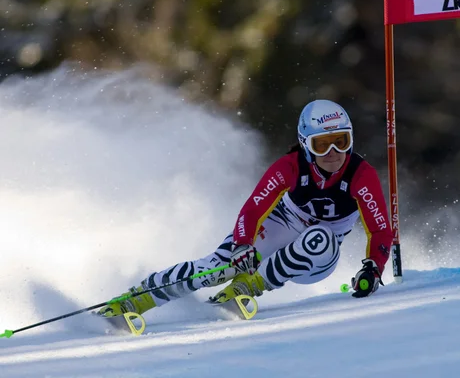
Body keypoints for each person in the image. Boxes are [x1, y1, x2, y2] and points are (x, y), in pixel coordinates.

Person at [98, 99, 393, 319]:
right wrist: (242, 246)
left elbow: (380, 229)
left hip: (317, 257)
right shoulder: (289, 167)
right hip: (283, 224)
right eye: (322, 145)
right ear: (305, 145)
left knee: (320, 236)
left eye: (341, 142)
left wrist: (373, 267)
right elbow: (253, 209)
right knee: (216, 267)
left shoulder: (360, 174)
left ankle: (250, 285)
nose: (333, 154)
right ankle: (138, 298)